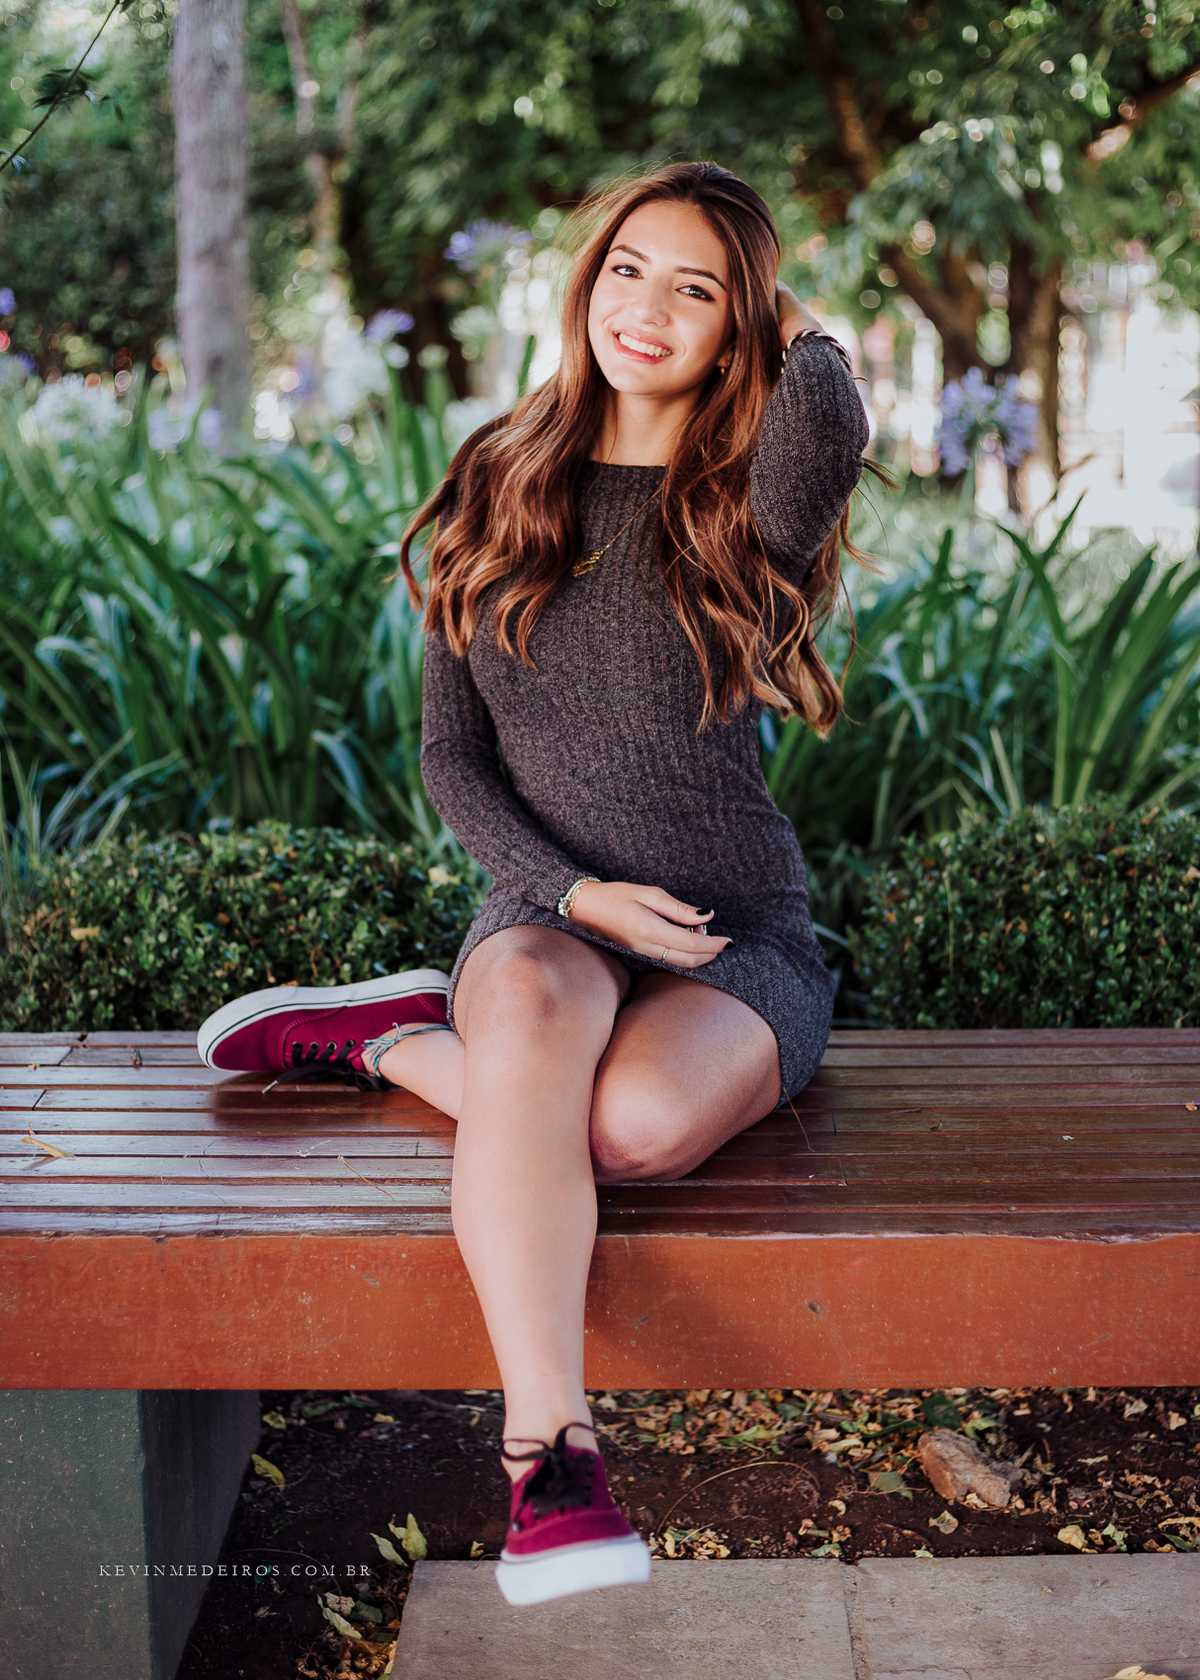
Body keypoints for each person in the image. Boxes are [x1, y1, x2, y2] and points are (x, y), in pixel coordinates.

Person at [198, 160, 870, 1607]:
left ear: (741, 326)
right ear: (584, 280)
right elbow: (455, 766)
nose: (648, 307)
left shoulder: (747, 504)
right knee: (539, 1032)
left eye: (696, 290)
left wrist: (781, 308)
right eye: (628, 266)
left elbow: (827, 399)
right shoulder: (498, 477)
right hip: (550, 913)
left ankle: (391, 1043)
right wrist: (572, 899)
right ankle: (550, 1459)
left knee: (623, 1132)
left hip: (732, 927)